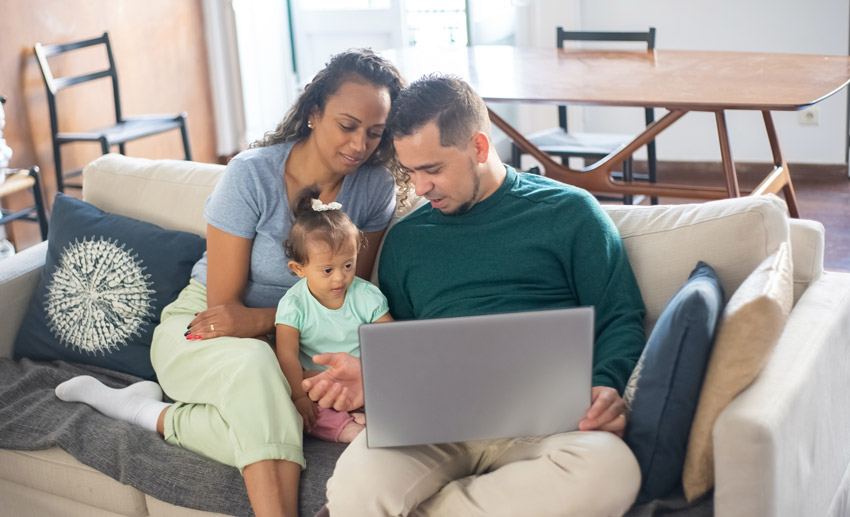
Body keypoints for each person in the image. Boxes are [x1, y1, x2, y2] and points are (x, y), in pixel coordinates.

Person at [53, 48, 406, 517]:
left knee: (273, 411)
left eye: (374, 132)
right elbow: (225, 313)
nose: (360, 144)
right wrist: (272, 325)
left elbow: (347, 302)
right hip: (200, 327)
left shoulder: (375, 187)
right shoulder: (251, 175)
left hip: (288, 340)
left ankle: (142, 411)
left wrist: (276, 326)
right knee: (262, 376)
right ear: (314, 113)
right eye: (348, 125)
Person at [302, 75, 648, 516]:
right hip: (437, 423)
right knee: (355, 484)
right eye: (410, 171)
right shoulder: (407, 240)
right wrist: (375, 379)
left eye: (432, 169)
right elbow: (403, 343)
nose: (420, 188)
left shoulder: (570, 213)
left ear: (479, 148)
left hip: (550, 425)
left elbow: (620, 316)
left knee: (611, 470)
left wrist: (605, 386)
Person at [276, 184, 393, 443]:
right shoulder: (293, 305)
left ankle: (370, 416)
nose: (341, 277)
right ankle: (349, 429)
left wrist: (376, 376)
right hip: (321, 383)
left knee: (394, 392)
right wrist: (298, 396)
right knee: (309, 408)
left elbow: (390, 341)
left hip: (363, 380)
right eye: (327, 270)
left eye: (348, 265)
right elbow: (286, 355)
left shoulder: (366, 295)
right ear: (299, 269)